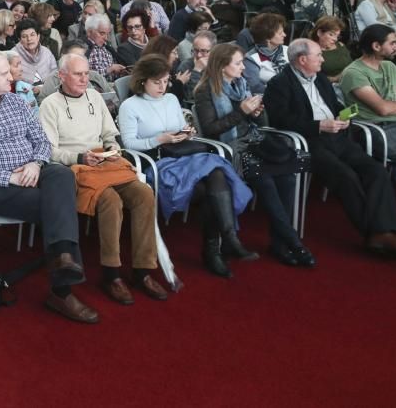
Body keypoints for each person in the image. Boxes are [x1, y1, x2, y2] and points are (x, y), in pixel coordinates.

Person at [0, 51, 98, 324]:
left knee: (62, 175)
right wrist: (9, 177)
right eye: (5, 74)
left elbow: (42, 143)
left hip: (33, 173)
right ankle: (61, 288)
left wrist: (36, 165)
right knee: (58, 205)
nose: (13, 76)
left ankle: (63, 258)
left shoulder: (16, 102)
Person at [39, 54, 168, 302]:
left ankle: (143, 270)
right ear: (61, 76)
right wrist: (80, 157)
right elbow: (49, 151)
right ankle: (112, 273)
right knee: (110, 200)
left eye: (87, 73)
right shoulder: (50, 105)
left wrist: (112, 148)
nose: (84, 78)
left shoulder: (95, 97)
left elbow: (110, 133)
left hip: (104, 160)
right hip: (76, 165)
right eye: (78, 74)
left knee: (144, 194)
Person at [118, 55, 255, 278]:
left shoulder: (171, 99)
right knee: (215, 184)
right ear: (143, 81)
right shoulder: (130, 106)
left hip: (185, 156)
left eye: (165, 81)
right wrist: (160, 140)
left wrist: (186, 133)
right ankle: (219, 246)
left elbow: (181, 126)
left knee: (217, 173)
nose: (163, 87)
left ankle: (225, 241)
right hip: (158, 162)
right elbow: (130, 144)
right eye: (157, 82)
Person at [264, 39, 396, 256]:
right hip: (309, 141)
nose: (323, 59)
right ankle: (375, 233)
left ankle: (385, 231)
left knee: (376, 171)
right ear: (302, 59)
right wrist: (318, 126)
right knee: (346, 176)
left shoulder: (321, 80)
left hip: (337, 137)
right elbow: (280, 121)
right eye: (318, 55)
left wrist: (345, 116)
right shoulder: (279, 84)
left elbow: (336, 106)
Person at [194, 44, 315, 267]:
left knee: (287, 176)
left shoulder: (241, 84)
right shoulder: (205, 92)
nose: (243, 67)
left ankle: (280, 243)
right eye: (238, 63)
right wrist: (242, 112)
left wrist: (257, 113)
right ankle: (293, 242)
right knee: (266, 180)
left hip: (253, 141)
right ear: (222, 67)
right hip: (230, 148)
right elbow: (211, 129)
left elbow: (261, 125)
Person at [339, 25, 396, 163]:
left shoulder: (389, 66)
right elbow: (383, 109)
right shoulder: (354, 73)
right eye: (392, 43)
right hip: (377, 130)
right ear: (376, 46)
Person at [244, 13, 288, 94]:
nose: (284, 35)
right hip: (270, 97)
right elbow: (255, 87)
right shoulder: (251, 58)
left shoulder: (289, 50)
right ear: (267, 38)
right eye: (280, 33)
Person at [11, 19, 58, 89]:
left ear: (38, 36)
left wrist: (42, 89)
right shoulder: (13, 55)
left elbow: (55, 75)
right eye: (24, 36)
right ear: (19, 39)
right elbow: (13, 81)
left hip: (48, 92)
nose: (29, 39)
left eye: (32, 35)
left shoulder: (46, 52)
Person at [83, 14, 126, 81]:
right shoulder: (83, 49)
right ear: (89, 32)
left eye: (107, 34)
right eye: (102, 33)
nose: (106, 38)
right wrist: (109, 69)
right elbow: (84, 75)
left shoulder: (108, 48)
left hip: (112, 86)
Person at [309, 16, 351, 82]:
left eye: (337, 36)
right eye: (331, 34)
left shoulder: (340, 45)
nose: (335, 39)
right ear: (319, 33)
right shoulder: (310, 52)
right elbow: (312, 79)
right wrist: (335, 79)